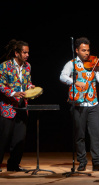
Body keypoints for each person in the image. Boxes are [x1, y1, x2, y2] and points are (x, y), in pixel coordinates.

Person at [60, 37, 99, 171]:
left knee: (96, 135)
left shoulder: (95, 63)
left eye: (88, 50)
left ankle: (96, 162)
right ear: (77, 50)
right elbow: (62, 77)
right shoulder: (71, 64)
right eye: (83, 50)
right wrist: (74, 82)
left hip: (94, 104)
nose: (87, 53)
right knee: (79, 135)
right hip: (78, 104)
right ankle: (82, 162)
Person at [0, 39, 35, 172]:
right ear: (17, 53)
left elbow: (27, 82)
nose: (27, 55)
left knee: (19, 139)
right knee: (3, 139)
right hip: (8, 107)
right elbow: (1, 85)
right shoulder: (4, 66)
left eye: (28, 53)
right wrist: (14, 93)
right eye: (24, 53)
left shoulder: (28, 66)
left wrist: (30, 87)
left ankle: (13, 165)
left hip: (22, 106)